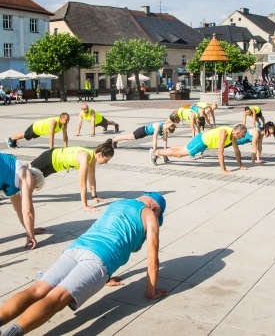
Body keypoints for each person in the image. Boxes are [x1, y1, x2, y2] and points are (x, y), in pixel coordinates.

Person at [0, 192, 167, 336]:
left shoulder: (119, 203)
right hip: (99, 260)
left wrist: (105, 279)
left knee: (37, 289)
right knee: (56, 298)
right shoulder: (150, 215)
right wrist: (151, 291)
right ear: (155, 208)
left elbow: (109, 231)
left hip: (75, 249)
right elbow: (152, 259)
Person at [30, 139, 114, 211]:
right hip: (48, 159)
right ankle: (23, 200)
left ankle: (24, 197)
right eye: (106, 160)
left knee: (32, 184)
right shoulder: (85, 158)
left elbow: (92, 179)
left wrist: (94, 196)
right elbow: (82, 184)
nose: (106, 163)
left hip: (53, 166)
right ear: (100, 155)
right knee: (27, 181)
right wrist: (85, 206)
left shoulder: (92, 160)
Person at [149, 124, 248, 175]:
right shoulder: (225, 133)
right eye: (243, 135)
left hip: (203, 142)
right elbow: (220, 151)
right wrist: (224, 170)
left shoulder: (233, 136)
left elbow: (237, 151)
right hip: (201, 142)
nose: (243, 137)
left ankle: (162, 152)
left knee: (184, 148)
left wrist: (241, 166)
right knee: (180, 154)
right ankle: (156, 152)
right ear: (238, 132)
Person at [0, 152, 45, 250]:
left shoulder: (14, 175)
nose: (32, 190)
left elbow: (19, 209)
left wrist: (30, 229)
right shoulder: (26, 174)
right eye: (35, 186)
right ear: (34, 177)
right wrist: (31, 236)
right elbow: (27, 210)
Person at [112, 121, 176, 157]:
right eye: (167, 132)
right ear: (167, 128)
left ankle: (115, 140)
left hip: (145, 133)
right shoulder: (158, 126)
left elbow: (165, 139)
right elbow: (154, 139)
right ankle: (114, 140)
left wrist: (165, 149)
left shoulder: (165, 127)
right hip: (141, 132)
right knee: (127, 137)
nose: (167, 133)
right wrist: (154, 150)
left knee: (127, 137)